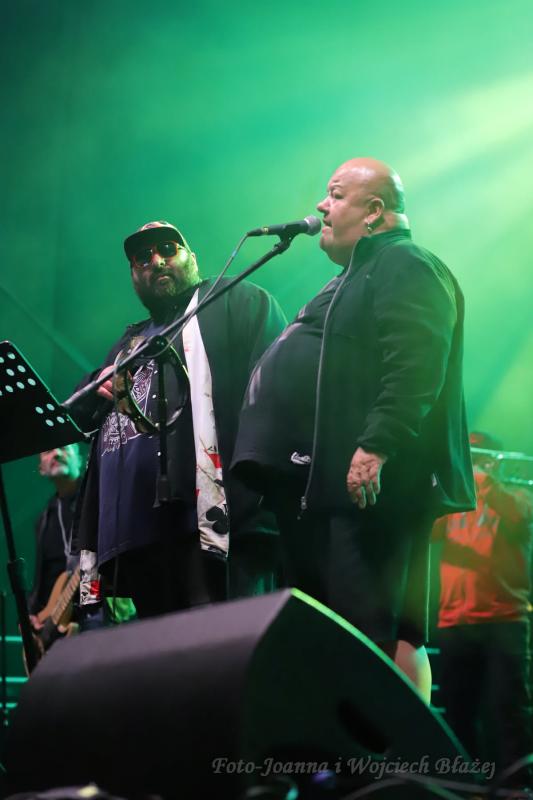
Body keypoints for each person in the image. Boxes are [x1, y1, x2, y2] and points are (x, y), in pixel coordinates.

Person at [232, 157, 475, 701]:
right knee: (337, 628)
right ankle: (344, 744)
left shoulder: (404, 262)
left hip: (374, 489)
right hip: (327, 490)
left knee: (378, 626)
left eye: (336, 194)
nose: (322, 206)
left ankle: (398, 749)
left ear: (374, 211)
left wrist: (377, 445)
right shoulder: (356, 275)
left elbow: (417, 362)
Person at [71, 220, 287, 619]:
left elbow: (279, 387)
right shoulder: (128, 343)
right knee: (162, 647)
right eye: (143, 257)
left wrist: (261, 489)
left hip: (216, 521)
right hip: (141, 535)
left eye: (168, 249)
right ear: (133, 275)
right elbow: (79, 417)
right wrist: (96, 382)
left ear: (193, 258)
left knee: (220, 639)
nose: (156, 260)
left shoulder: (234, 300)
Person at [434, 431, 533, 780]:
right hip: (454, 621)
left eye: (480, 459)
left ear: (493, 463)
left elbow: (519, 515)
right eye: (469, 458)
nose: (473, 466)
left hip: (504, 619)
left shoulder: (518, 494)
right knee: (457, 714)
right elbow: (428, 531)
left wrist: (482, 479)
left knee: (510, 712)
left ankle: (516, 788)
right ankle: (462, 784)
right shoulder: (452, 498)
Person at [28, 444, 83, 639]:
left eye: (64, 448)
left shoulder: (97, 501)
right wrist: (31, 615)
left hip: (92, 616)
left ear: (79, 459)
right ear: (41, 468)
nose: (57, 453)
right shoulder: (44, 520)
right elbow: (41, 581)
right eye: (47, 451)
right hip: (51, 628)